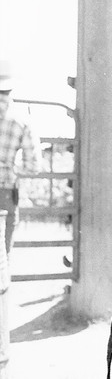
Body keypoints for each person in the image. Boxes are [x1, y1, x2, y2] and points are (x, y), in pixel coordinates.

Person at [0, 62, 42, 255]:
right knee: (2, 253)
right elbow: (33, 165)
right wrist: (11, 167)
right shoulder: (21, 121)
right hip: (6, 190)